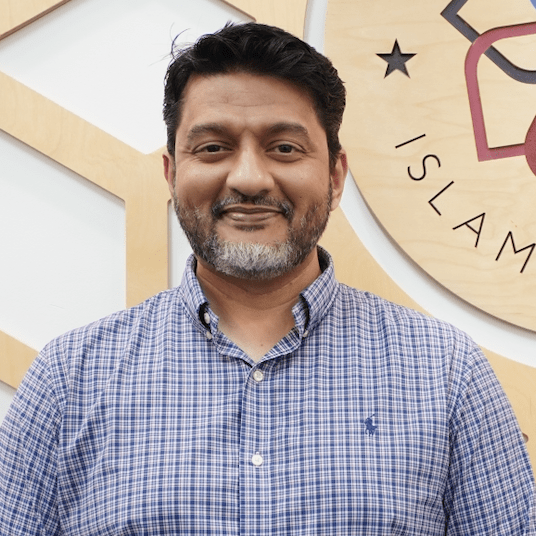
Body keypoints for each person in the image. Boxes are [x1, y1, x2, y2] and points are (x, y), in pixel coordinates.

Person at [0, 21, 534, 535]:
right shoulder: (69, 380)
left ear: (335, 175)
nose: (250, 179)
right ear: (172, 173)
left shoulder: (446, 373)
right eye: (213, 148)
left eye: (284, 148)